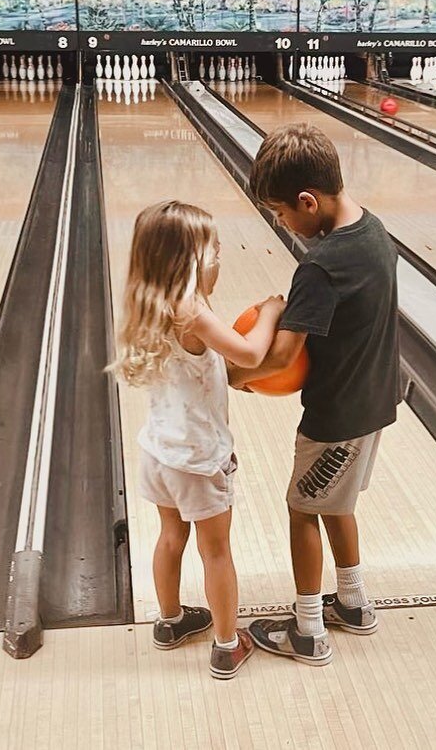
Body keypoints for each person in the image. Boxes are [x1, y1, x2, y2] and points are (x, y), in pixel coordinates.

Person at [230, 124, 401, 665]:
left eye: (282, 213)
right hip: (375, 401)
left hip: (334, 415)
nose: (284, 223)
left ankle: (307, 630)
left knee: (302, 509)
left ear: (308, 200)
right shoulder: (374, 232)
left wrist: (233, 377)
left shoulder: (320, 265)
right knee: (336, 503)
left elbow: (280, 358)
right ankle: (352, 603)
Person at [110, 200, 285, 679]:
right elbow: (249, 353)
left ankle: (170, 621)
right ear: (188, 258)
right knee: (216, 552)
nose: (221, 256)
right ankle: (228, 645)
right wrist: (270, 310)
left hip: (158, 453)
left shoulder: (149, 301)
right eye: (214, 248)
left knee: (171, 537)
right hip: (199, 460)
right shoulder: (191, 311)